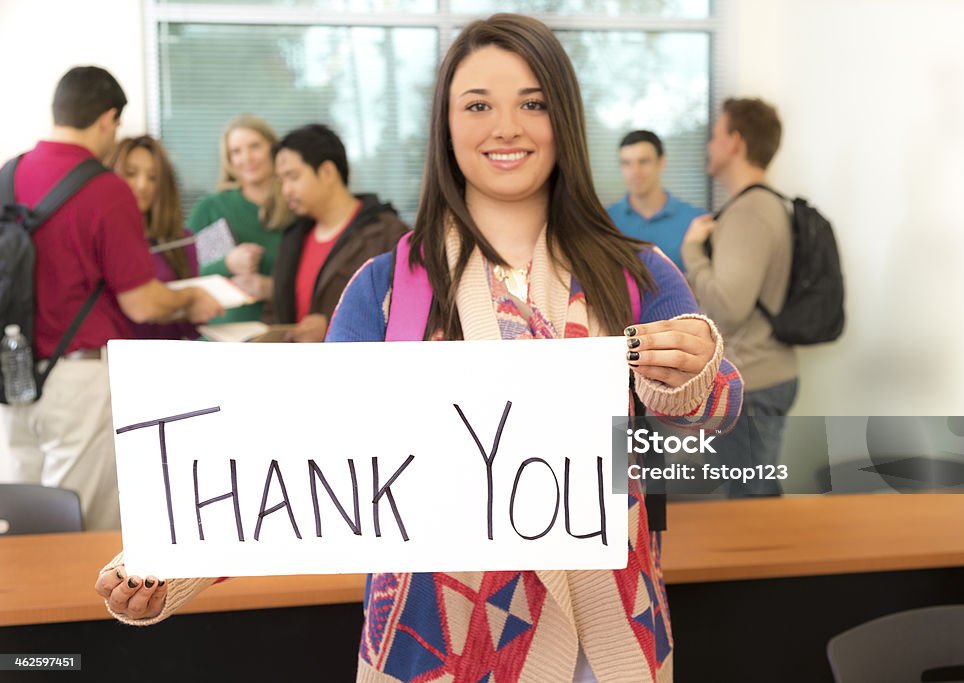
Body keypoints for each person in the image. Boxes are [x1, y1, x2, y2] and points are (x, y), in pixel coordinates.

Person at [95, 16, 742, 681]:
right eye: (478, 105)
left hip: (604, 639)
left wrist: (690, 375)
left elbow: (715, 408)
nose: (506, 127)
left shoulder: (636, 269)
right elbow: (299, 445)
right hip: (432, 640)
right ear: (445, 124)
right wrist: (170, 562)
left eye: (533, 102)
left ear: (565, 118)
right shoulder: (384, 287)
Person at [0, 67, 222, 531]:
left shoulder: (8, 174)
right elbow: (142, 303)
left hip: (11, 373)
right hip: (76, 380)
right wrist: (188, 300)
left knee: (21, 520)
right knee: (81, 522)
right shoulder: (105, 189)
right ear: (107, 119)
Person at [681, 97, 796, 490]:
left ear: (735, 142)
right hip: (762, 377)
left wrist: (692, 252)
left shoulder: (750, 211)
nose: (708, 147)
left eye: (714, 136)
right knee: (755, 499)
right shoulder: (759, 206)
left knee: (751, 509)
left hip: (755, 383)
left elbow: (729, 308)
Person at [271, 124, 407, 342]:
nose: (286, 190)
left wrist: (335, 325)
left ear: (327, 172)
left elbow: (410, 314)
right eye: (282, 181)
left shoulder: (388, 233)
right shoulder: (292, 237)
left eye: (293, 177)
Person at [186, 114, 292, 325]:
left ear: (273, 148)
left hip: (280, 338)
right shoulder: (212, 209)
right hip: (219, 340)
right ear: (229, 159)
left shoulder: (295, 209)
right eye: (236, 151)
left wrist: (272, 288)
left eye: (254, 146)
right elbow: (184, 274)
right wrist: (227, 263)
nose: (246, 158)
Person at [110, 135, 199, 339]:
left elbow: (193, 323)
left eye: (153, 177)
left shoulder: (183, 240)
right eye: (131, 173)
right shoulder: (105, 241)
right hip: (114, 360)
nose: (142, 185)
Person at [606, 130, 703, 273]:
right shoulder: (605, 221)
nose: (635, 171)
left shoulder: (694, 221)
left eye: (643, 161)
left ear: (662, 162)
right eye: (627, 163)